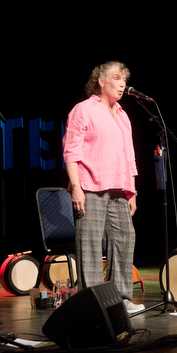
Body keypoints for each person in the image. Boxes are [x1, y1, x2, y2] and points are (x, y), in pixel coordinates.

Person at [63, 61, 141, 314]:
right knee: (90, 244)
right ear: (101, 81)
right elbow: (71, 152)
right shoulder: (83, 110)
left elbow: (129, 156)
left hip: (119, 189)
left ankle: (122, 299)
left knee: (124, 239)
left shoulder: (122, 114)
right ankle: (94, 303)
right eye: (117, 79)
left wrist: (133, 190)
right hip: (90, 187)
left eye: (124, 80)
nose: (122, 84)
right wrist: (76, 187)